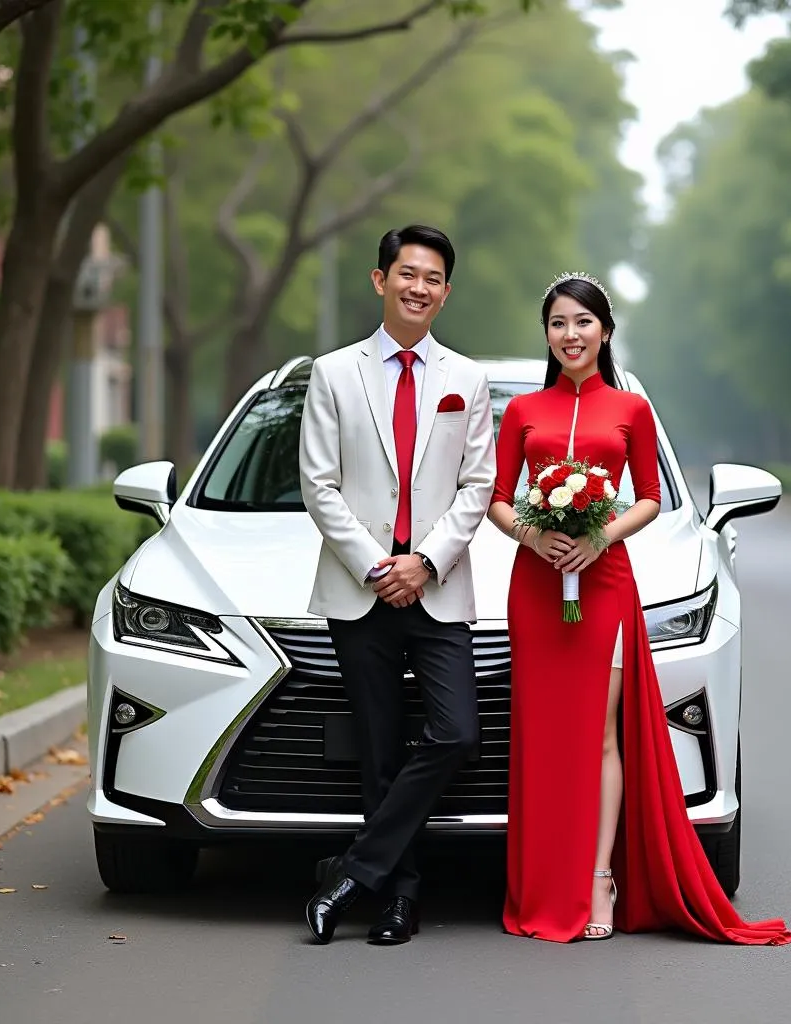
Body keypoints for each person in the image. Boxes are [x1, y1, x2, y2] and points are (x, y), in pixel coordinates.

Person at [487, 271, 791, 945]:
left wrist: (599, 534)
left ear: (604, 330)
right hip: (536, 585)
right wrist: (535, 534)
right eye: (558, 324)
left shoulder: (630, 411)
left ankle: (599, 879)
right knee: (541, 735)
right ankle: (541, 883)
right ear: (547, 334)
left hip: (604, 582)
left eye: (582, 322)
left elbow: (652, 499)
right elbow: (497, 500)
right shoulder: (523, 413)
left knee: (600, 735)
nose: (570, 335)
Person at [298, 224, 496, 945]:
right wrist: (379, 567)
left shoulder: (465, 380)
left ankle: (351, 872)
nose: (420, 287)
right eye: (407, 273)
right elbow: (319, 486)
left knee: (455, 732)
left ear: (446, 291)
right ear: (380, 280)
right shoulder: (333, 373)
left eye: (434, 277)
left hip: (438, 587)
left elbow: (478, 486)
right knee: (379, 749)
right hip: (361, 590)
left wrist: (426, 562)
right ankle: (398, 899)